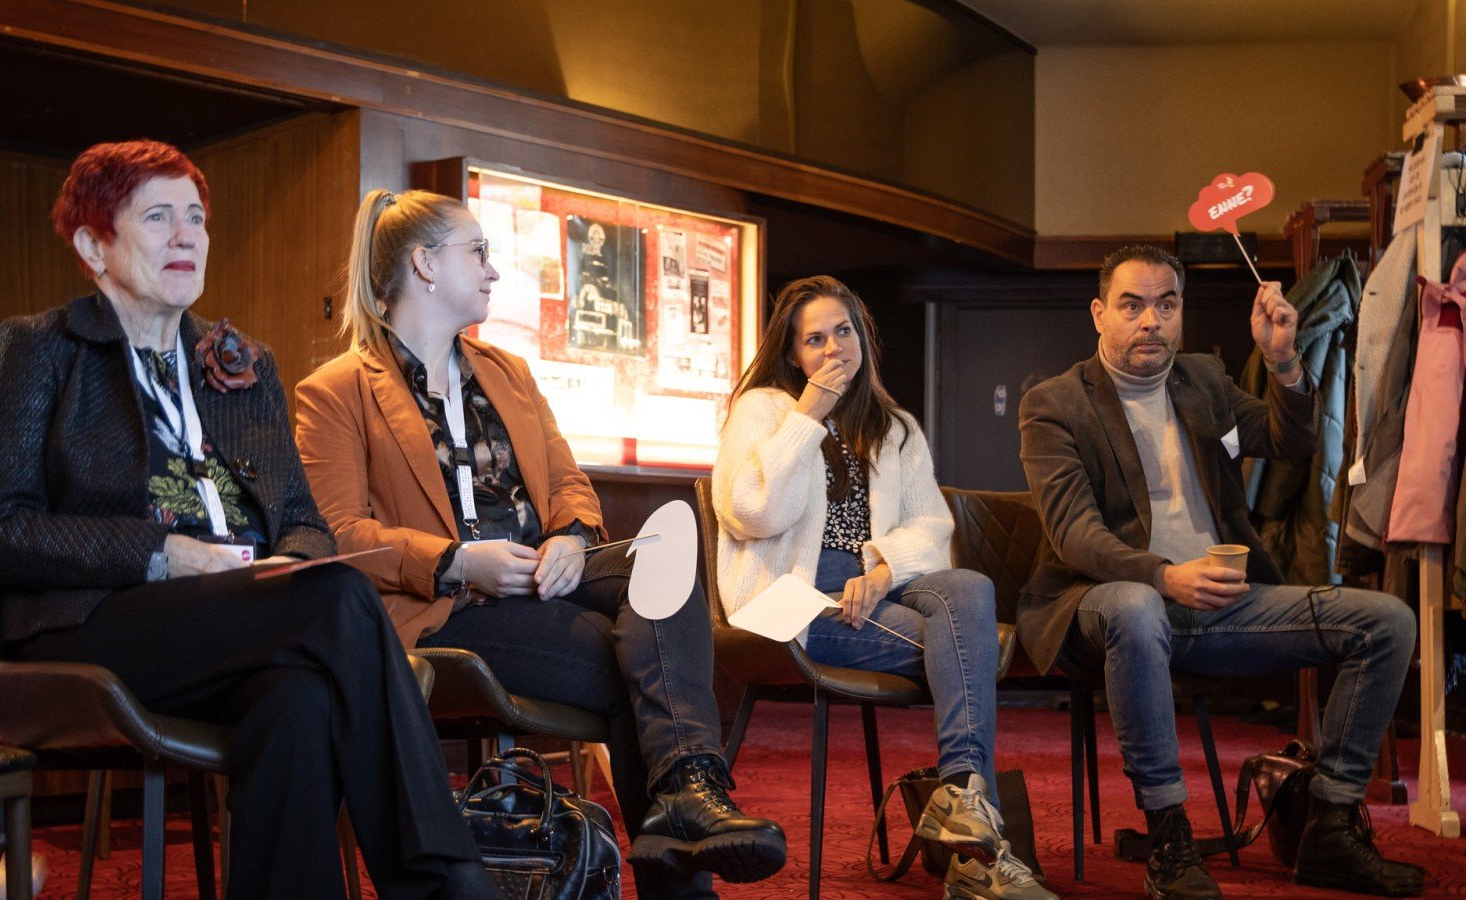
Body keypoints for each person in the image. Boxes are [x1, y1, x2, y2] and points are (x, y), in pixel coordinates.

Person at [0, 140, 499, 899]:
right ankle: (448, 883)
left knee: (301, 704)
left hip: (245, 623)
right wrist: (166, 553)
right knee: (339, 598)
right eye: (157, 217)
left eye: (196, 218)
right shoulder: (44, 350)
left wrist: (290, 566)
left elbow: (301, 520)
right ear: (92, 244)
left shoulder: (241, 364)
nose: (186, 235)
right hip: (98, 629)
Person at [293, 188, 788, 898]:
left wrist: (571, 534)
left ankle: (685, 792)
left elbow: (568, 483)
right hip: (447, 609)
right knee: (638, 661)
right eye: (480, 253)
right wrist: (459, 560)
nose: (494, 272)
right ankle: (686, 816)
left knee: (668, 543)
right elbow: (342, 536)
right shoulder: (336, 391)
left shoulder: (508, 374)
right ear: (425, 264)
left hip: (551, 578)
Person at [1017, 245, 1425, 900]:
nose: (1151, 320)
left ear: (1181, 313)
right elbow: (1074, 534)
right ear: (1099, 314)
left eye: (1167, 304)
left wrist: (1283, 360)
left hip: (1218, 609)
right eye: (1132, 304)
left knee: (1387, 621)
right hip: (1105, 609)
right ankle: (1168, 834)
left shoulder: (1202, 379)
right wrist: (1162, 576)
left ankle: (1329, 824)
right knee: (1136, 605)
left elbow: (1289, 442)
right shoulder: (1055, 403)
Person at [712, 275, 1056, 900]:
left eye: (843, 331)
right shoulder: (763, 409)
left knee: (970, 590)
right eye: (814, 339)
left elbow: (931, 525)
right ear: (792, 354)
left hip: (881, 585)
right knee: (967, 647)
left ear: (862, 337)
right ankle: (979, 846)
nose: (832, 348)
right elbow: (750, 511)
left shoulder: (893, 426)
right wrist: (807, 414)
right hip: (793, 595)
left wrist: (881, 570)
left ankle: (962, 804)